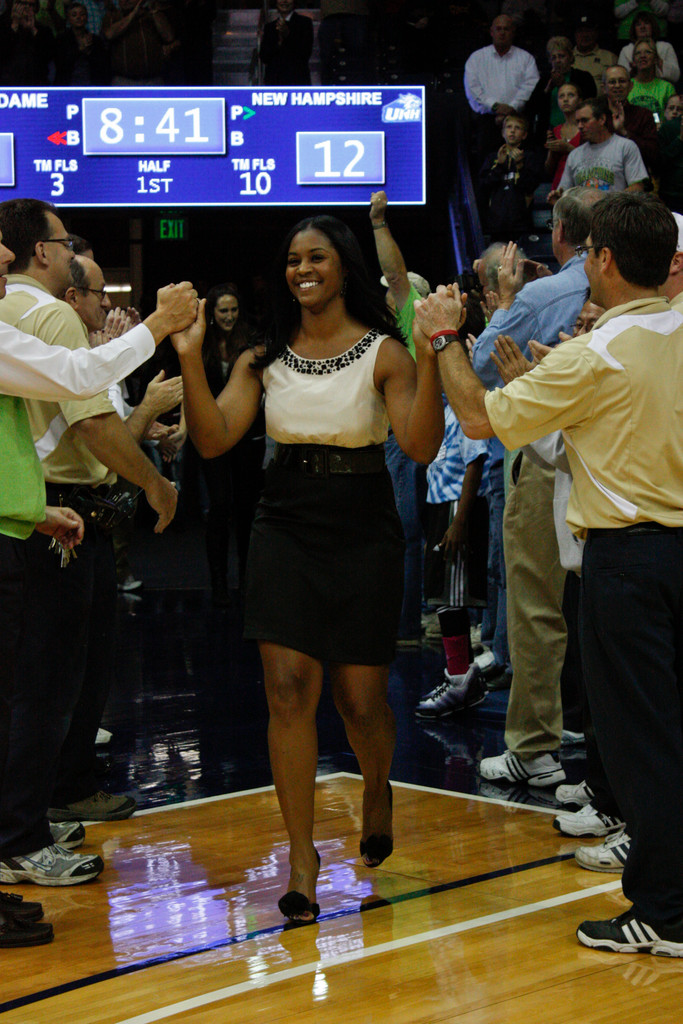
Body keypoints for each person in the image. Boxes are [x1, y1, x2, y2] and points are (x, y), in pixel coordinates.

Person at [414, 190, 683, 958]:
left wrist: (443, 340)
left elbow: (474, 417)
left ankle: (663, 911)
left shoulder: (593, 353)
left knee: (640, 744)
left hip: (628, 562)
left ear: (600, 258)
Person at [172, 215, 443, 923]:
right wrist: (192, 358)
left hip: (360, 524)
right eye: (292, 260)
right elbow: (212, 439)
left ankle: (376, 783)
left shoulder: (385, 352)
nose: (301, 269)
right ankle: (301, 856)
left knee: (359, 702)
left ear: (343, 265)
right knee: (288, 690)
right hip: (285, 521)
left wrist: (433, 356)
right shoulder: (260, 356)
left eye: (315, 257)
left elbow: (416, 446)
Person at [0, 226, 197, 920]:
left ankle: (17, 829)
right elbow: (81, 388)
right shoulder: (46, 315)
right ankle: (19, 834)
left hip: (24, 518)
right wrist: (160, 323)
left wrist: (30, 507)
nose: (5, 254)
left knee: (27, 685)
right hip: (21, 529)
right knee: (39, 686)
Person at [470, 188, 599, 789]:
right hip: (603, 459)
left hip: (542, 455)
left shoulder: (541, 293)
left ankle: (533, 746)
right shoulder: (625, 297)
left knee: (533, 605)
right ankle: (587, 744)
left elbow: (477, 369)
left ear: (559, 233)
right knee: (594, 611)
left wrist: (504, 301)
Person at [369, 191, 430, 646]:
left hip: (401, 439)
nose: (386, 296)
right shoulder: (381, 332)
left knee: (404, 535)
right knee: (392, 536)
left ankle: (404, 627)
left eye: (393, 294)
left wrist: (377, 224)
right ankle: (396, 621)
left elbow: (395, 274)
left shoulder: (412, 323)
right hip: (384, 439)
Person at [181, 283, 265, 605]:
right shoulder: (201, 344)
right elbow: (191, 389)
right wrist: (183, 427)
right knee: (219, 506)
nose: (229, 316)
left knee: (247, 510)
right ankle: (218, 583)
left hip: (248, 437)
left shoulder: (252, 340)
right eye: (223, 311)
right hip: (212, 435)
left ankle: (245, 580)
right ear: (212, 313)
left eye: (233, 310)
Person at [464, 14, 539, 167]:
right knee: (487, 170)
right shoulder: (476, 58)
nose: (502, 32)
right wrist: (497, 107)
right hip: (487, 124)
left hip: (518, 123)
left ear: (513, 32)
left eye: (506, 29)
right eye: (498, 29)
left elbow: (530, 86)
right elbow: (473, 89)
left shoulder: (526, 59)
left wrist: (511, 109)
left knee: (520, 170)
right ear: (491, 32)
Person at [552, 96, 648, 196]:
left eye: (585, 120)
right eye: (578, 122)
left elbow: (637, 187)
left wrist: (606, 203)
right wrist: (557, 197)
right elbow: (564, 192)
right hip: (583, 211)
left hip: (614, 210)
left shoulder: (625, 147)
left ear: (602, 119)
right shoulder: (574, 155)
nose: (580, 126)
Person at [479, 114, 543, 241]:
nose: (512, 130)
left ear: (524, 135)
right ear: (503, 133)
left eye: (517, 128)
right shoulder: (493, 158)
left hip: (520, 223)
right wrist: (499, 166)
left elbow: (530, 186)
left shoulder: (530, 157)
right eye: (508, 127)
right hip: (496, 223)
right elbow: (484, 185)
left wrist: (520, 166)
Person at [603, 64, 659, 171]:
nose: (617, 85)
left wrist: (624, 132)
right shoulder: (596, 115)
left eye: (622, 81)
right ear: (604, 88)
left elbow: (653, 156)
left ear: (631, 86)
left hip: (635, 176)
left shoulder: (644, 115)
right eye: (612, 82)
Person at [259, 0, 313, 86]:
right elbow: (264, 56)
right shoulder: (269, 27)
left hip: (297, 81)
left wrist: (288, 34)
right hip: (274, 81)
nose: (284, 1)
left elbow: (305, 53)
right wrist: (278, 43)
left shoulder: (305, 23)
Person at [618, 10, 680, 84]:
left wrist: (659, 62)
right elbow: (620, 77)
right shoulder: (626, 50)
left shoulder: (665, 47)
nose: (642, 27)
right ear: (634, 29)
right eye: (638, 25)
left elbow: (676, 76)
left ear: (652, 26)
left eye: (646, 23)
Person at [544, 82, 582, 191]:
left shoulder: (586, 128)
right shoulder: (555, 130)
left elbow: (592, 161)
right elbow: (549, 170)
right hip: (558, 188)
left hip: (580, 188)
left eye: (570, 95)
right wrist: (552, 150)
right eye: (561, 96)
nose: (565, 99)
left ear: (580, 100)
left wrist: (568, 148)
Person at [627, 37, 676, 117]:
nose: (642, 56)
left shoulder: (667, 88)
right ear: (634, 61)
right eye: (638, 53)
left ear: (656, 59)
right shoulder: (627, 86)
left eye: (648, 52)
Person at [572, 13, 617, 95]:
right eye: (581, 31)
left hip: (601, 105)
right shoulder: (567, 57)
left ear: (596, 33)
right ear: (575, 34)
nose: (584, 35)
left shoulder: (609, 57)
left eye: (588, 30)